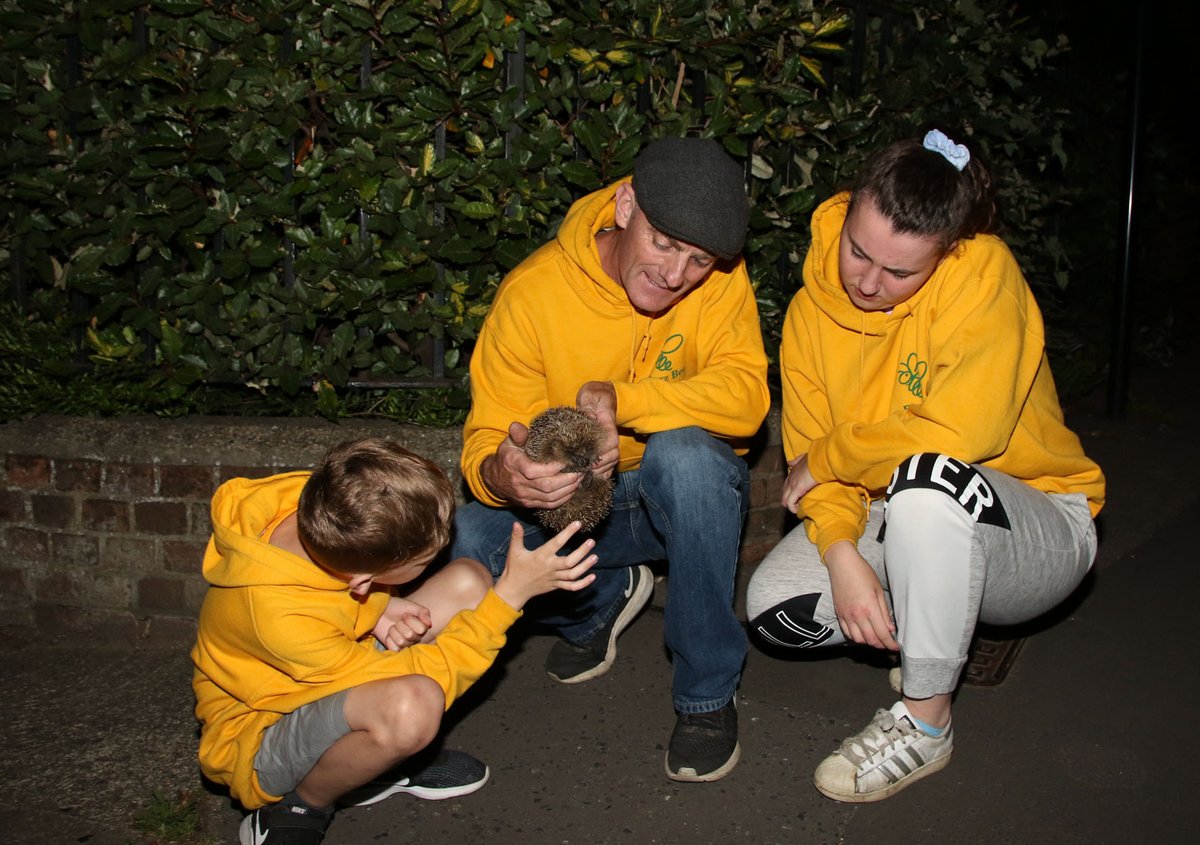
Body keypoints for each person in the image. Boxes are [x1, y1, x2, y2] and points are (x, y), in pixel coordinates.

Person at [745, 129, 1106, 802]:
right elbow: (809, 459)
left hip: (1038, 524)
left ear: (946, 255)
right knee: (777, 610)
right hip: (900, 507)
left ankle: (926, 722)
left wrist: (833, 455)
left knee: (926, 479)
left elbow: (962, 430)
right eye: (858, 250)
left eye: (900, 272)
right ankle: (929, 628)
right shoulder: (807, 315)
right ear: (848, 211)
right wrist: (843, 550)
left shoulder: (983, 273)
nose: (867, 280)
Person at [452, 136, 770, 782]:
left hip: (673, 495)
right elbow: (486, 440)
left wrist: (624, 400)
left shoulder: (722, 285)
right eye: (663, 244)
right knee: (462, 534)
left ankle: (706, 693)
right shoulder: (533, 294)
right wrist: (504, 474)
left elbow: (747, 399)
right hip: (573, 507)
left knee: (687, 456)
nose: (676, 273)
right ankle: (600, 597)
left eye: (697, 259)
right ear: (626, 206)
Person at [190, 437, 597, 845]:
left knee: (468, 582)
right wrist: (509, 598)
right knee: (412, 710)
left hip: (333, 665)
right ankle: (301, 804)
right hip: (260, 733)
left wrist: (379, 606)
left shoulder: (321, 502)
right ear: (361, 580)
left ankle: (377, 766)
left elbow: (331, 589)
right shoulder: (278, 620)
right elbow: (431, 677)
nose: (434, 560)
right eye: (421, 563)